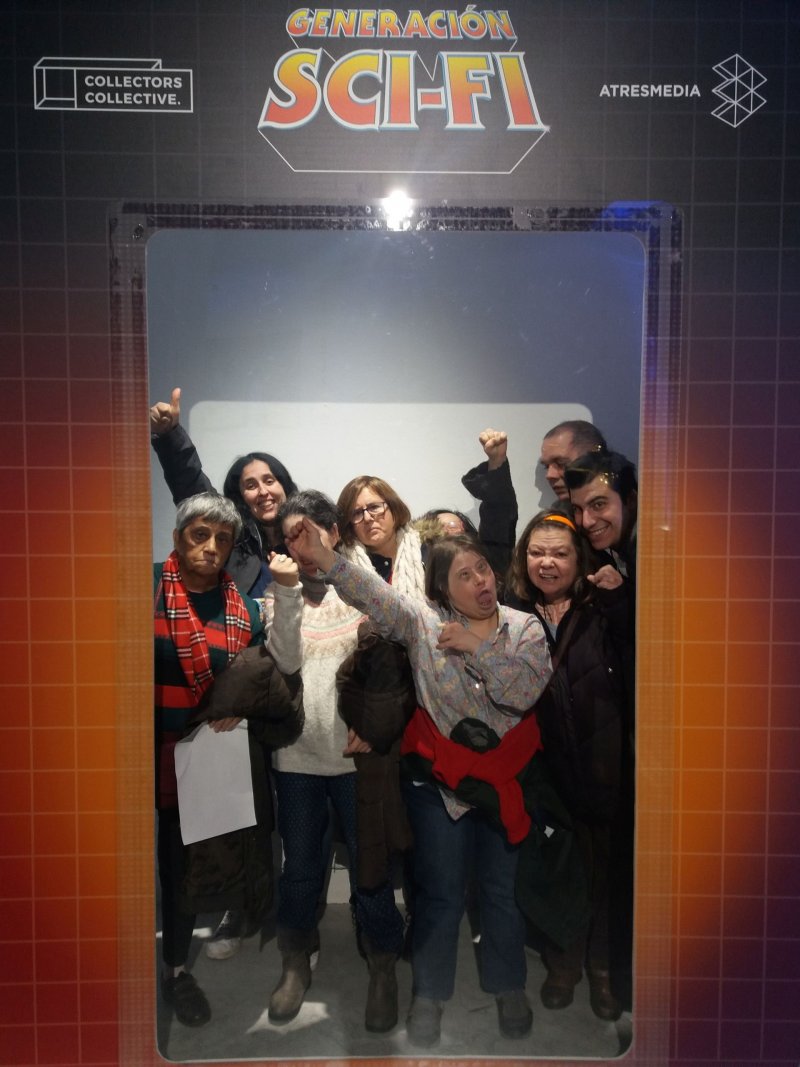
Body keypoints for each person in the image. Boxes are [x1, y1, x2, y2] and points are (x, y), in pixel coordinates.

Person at [289, 517, 552, 1048]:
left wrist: (476, 647)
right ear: (441, 590)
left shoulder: (523, 627)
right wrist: (326, 556)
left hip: (506, 783)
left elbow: (524, 692)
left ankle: (507, 986)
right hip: (442, 787)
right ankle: (428, 994)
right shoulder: (422, 623)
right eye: (463, 575)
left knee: (500, 892)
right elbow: (375, 595)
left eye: (483, 570)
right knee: (439, 894)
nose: (480, 582)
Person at [261, 490, 407, 1032]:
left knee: (371, 868)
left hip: (356, 763)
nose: (298, 547)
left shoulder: (359, 588)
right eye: (288, 538)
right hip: (297, 761)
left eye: (307, 533)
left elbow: (395, 650)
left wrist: (375, 725)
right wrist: (287, 591)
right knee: (299, 869)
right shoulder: (280, 593)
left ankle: (382, 963)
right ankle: (296, 959)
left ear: (333, 533)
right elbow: (286, 660)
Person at [505, 506, 633, 1020]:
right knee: (560, 871)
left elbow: (638, 662)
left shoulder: (602, 606)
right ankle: (564, 962)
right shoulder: (513, 613)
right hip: (546, 772)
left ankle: (601, 967)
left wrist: (620, 600)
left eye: (559, 553)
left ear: (579, 559)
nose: (547, 562)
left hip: (606, 767)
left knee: (605, 872)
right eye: (537, 552)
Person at [153, 492, 266, 1027]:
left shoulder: (243, 608)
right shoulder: (145, 591)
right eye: (200, 535)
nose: (211, 548)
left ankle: (175, 970)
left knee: (181, 870)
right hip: (135, 753)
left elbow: (259, 674)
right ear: (179, 538)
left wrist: (238, 703)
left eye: (223, 539)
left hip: (200, 762)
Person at [149, 387, 298, 597]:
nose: (263, 491)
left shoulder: (306, 533)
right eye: (251, 486)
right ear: (240, 497)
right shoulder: (233, 537)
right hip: (241, 618)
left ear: (284, 485)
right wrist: (170, 435)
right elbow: (191, 484)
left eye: (269, 481)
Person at [336, 475, 425, 598]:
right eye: (357, 513)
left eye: (374, 507)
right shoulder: (341, 569)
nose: (367, 518)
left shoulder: (427, 551)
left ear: (393, 507)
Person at [564, 448, 638, 587]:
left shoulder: (653, 554)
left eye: (598, 504)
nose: (586, 522)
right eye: (577, 509)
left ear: (631, 501)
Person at [539, 420, 608, 501]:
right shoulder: (558, 510)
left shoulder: (618, 507)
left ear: (595, 461)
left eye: (561, 463)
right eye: (546, 466)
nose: (549, 475)